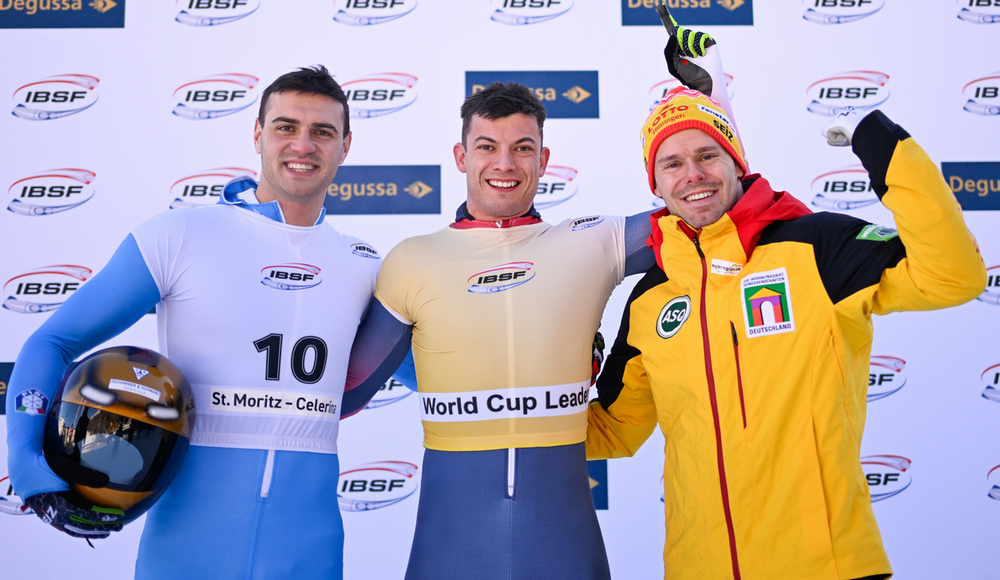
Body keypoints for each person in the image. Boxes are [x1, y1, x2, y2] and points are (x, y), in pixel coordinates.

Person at [584, 64, 988, 580]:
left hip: (825, 565)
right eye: (673, 163)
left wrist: (887, 151)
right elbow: (614, 430)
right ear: (656, 183)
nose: (693, 175)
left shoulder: (814, 245)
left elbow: (953, 275)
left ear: (736, 163)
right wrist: (532, 390)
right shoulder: (651, 296)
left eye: (708, 155)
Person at [6, 65, 394, 579]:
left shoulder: (366, 265)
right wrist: (32, 472)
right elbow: (52, 342)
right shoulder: (181, 235)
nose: (303, 144)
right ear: (257, 134)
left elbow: (445, 375)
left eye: (322, 131)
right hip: (188, 548)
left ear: (345, 146)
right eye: (285, 127)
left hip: (308, 548)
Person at [341, 79, 663, 578]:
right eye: (487, 147)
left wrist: (707, 107)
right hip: (449, 548)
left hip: (564, 544)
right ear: (461, 155)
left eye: (522, 148)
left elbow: (705, 206)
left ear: (544, 158)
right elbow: (344, 394)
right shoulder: (412, 260)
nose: (505, 164)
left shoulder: (593, 242)